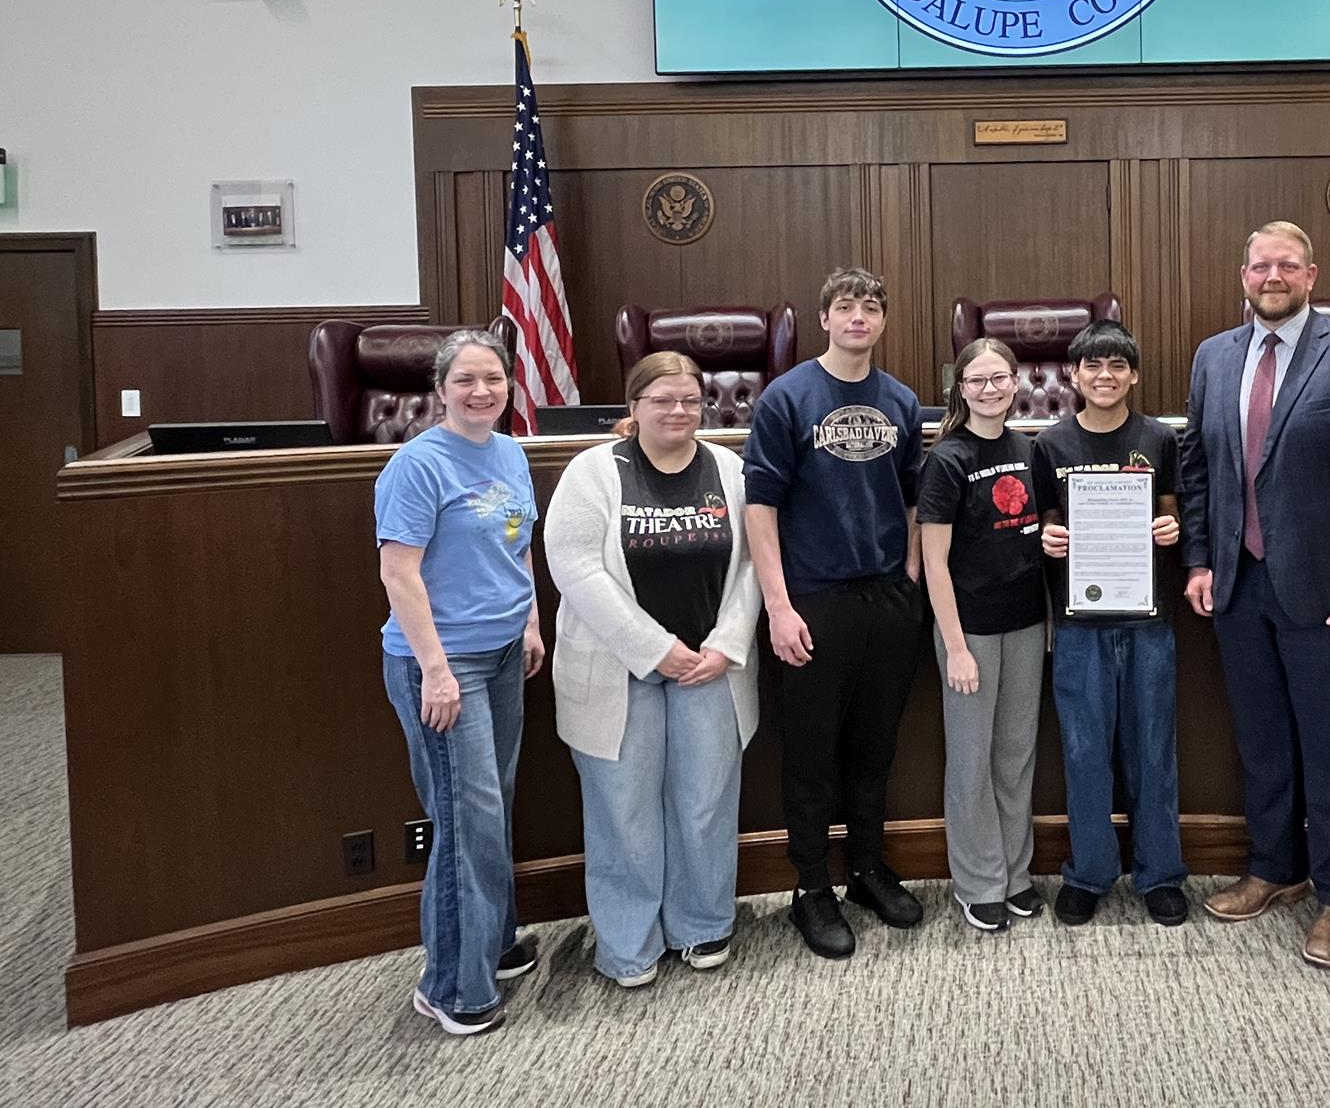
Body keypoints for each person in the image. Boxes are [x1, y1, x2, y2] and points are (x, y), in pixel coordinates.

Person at [1179, 220, 1330, 971]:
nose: (1271, 276)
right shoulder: (1214, 355)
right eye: (1259, 265)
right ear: (1242, 275)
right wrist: (1199, 561)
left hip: (1328, 594)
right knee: (1262, 743)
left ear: (1312, 275)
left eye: (1286, 265)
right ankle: (1275, 868)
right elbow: (1197, 470)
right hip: (1238, 586)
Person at [544, 351, 762, 988]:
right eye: (662, 400)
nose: (678, 411)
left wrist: (725, 643)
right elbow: (575, 566)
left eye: (690, 401)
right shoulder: (594, 472)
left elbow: (755, 561)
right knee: (623, 809)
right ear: (633, 407)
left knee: (706, 802)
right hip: (618, 667)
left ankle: (701, 924)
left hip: (709, 665)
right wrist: (651, 647)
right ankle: (628, 945)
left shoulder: (729, 468)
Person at [742, 267, 927, 959]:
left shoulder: (902, 401)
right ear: (825, 318)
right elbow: (760, 508)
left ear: (883, 321)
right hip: (812, 600)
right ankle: (812, 887)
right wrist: (779, 607)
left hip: (886, 598)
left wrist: (906, 577)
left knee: (875, 751)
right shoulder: (786, 399)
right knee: (813, 755)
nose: (858, 317)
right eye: (845, 306)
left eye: (871, 307)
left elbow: (913, 499)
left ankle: (869, 870)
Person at [375, 329, 544, 1036]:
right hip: (443, 667)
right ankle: (450, 986)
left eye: (494, 380)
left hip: (505, 652)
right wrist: (438, 672)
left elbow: (519, 544)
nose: (482, 392)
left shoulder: (508, 451)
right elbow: (398, 573)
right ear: (440, 390)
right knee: (463, 817)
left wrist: (532, 621)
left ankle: (494, 943)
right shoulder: (417, 466)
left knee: (492, 806)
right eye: (466, 380)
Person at [1033, 319, 1189, 927]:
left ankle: (1160, 874)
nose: (1105, 377)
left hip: (1148, 619)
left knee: (1152, 749)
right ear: (1074, 375)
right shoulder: (1049, 445)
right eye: (1093, 366)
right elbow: (1045, 521)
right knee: (1084, 749)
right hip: (1079, 624)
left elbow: (1172, 512)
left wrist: (1170, 532)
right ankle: (1090, 871)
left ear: (1135, 376)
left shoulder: (1158, 439)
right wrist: (1048, 537)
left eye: (1117, 367)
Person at [918, 338, 1047, 932]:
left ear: (1016, 383)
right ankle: (978, 881)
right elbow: (934, 561)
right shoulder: (946, 458)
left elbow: (1038, 539)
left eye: (1000, 379)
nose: (991, 389)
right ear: (960, 389)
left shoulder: (1030, 448)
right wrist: (956, 648)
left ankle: (1016, 873)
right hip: (969, 630)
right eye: (978, 381)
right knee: (970, 760)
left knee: (1015, 758)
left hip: (1026, 624)